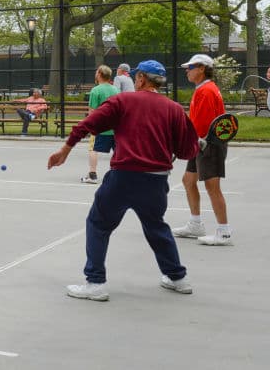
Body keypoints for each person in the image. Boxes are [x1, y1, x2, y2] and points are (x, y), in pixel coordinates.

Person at [47, 60, 199, 301]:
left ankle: (95, 282)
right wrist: (195, 143)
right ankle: (178, 278)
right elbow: (186, 152)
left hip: (124, 177)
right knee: (156, 226)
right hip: (156, 181)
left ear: (140, 78)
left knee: (98, 223)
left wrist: (64, 150)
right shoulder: (174, 109)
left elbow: (87, 124)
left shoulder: (123, 101)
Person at [173, 54, 232, 245]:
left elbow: (203, 123)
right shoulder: (203, 89)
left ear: (201, 68)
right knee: (188, 180)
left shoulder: (206, 91)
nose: (187, 71)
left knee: (212, 187)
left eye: (190, 67)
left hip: (209, 144)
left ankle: (223, 232)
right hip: (200, 143)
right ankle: (195, 224)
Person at [82, 65, 119, 184]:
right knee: (118, 151)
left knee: (93, 149)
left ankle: (92, 175)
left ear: (99, 74)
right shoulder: (116, 90)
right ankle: (118, 175)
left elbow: (92, 111)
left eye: (96, 72)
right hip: (115, 126)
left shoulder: (96, 90)